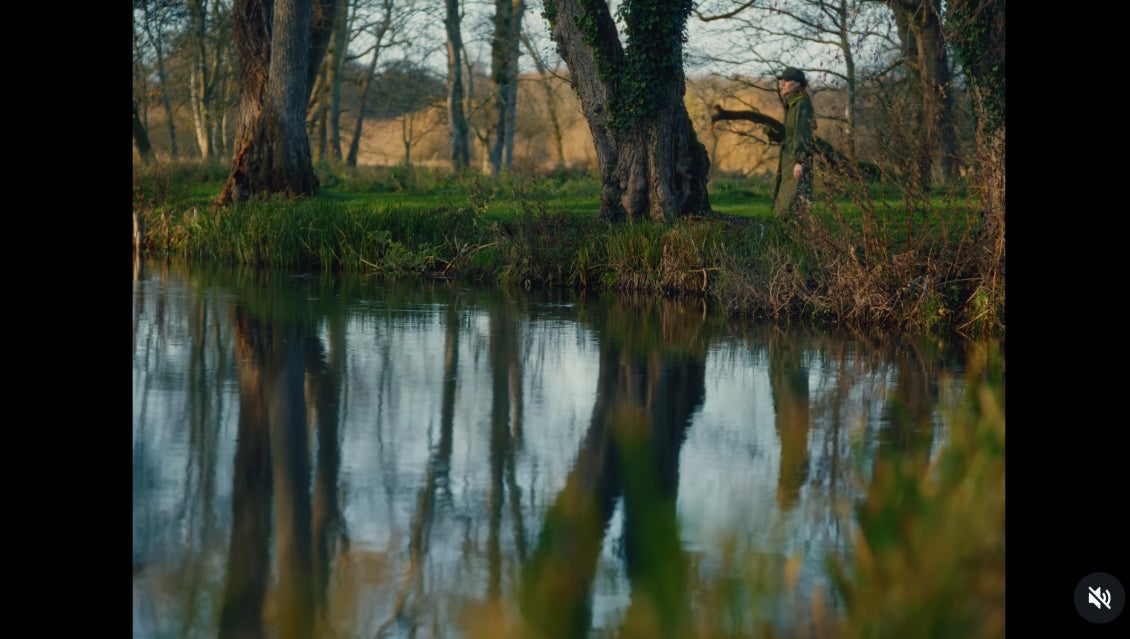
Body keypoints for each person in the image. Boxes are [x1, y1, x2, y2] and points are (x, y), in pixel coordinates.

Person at [772, 67, 817, 217]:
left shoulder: (801, 105)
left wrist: (799, 161)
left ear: (797, 84)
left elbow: (802, 134)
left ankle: (792, 236)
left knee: (792, 203)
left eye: (786, 81)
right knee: (786, 201)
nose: (782, 84)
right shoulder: (792, 104)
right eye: (782, 81)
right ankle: (785, 235)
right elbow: (791, 134)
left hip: (796, 160)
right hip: (789, 159)